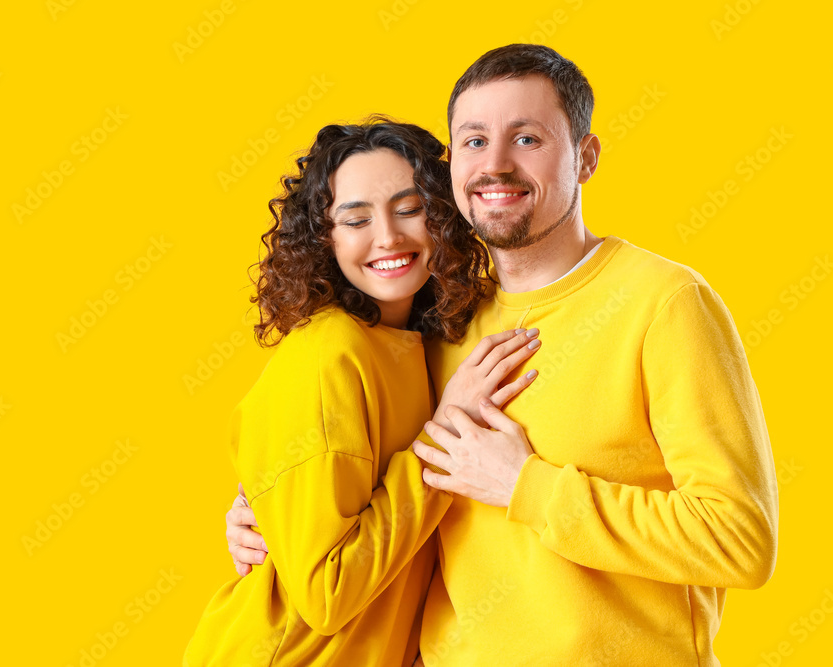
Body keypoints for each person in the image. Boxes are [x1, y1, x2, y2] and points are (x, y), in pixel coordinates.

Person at [228, 45, 779, 666]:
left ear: (585, 157)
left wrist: (527, 485)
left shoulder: (666, 305)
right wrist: (266, 516)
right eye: (473, 141)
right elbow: (364, 486)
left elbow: (738, 541)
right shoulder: (443, 320)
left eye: (527, 139)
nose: (495, 165)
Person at [185, 118, 543, 666]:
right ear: (324, 238)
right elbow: (327, 595)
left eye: (409, 208)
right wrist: (446, 433)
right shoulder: (329, 355)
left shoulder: (425, 343)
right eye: (356, 219)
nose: (389, 238)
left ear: (443, 215)